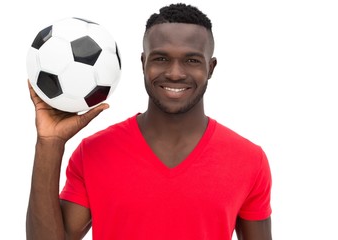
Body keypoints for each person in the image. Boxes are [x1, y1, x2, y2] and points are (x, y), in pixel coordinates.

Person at [26, 3, 272, 240]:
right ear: (143, 63)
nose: (175, 73)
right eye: (161, 59)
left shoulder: (249, 160)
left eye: (192, 60)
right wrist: (50, 143)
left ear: (211, 67)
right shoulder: (92, 153)